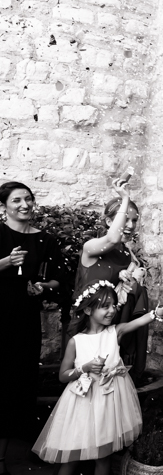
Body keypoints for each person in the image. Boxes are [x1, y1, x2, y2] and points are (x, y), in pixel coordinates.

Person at [32, 280, 163, 475]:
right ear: (88, 311)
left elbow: (138, 322)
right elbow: (63, 376)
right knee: (71, 457)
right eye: (104, 306)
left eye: (113, 306)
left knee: (103, 457)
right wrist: (83, 368)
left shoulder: (115, 332)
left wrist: (157, 313)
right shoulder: (76, 342)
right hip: (82, 406)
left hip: (109, 405)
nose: (111, 311)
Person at [0, 181, 65, 474]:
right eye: (17, 200)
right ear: (4, 207)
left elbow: (57, 281)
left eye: (28, 199)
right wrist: (6, 262)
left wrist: (42, 288)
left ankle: (21, 449)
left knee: (23, 379)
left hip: (25, 318)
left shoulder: (47, 240)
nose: (24, 205)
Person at [75, 178, 151, 380]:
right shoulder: (91, 247)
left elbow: (124, 290)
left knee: (112, 380)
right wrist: (124, 198)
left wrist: (130, 280)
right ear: (110, 221)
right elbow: (112, 239)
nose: (131, 225)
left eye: (134, 220)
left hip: (115, 325)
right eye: (126, 219)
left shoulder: (127, 255)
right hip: (89, 326)